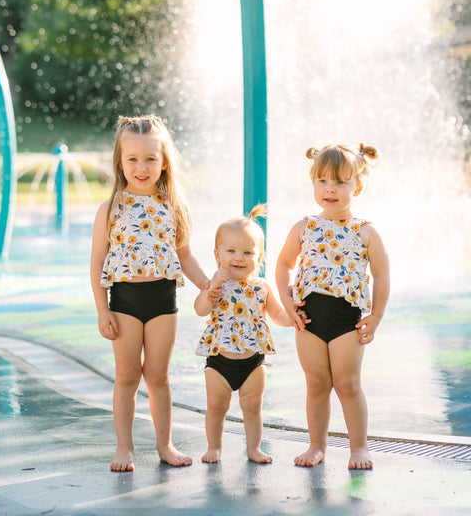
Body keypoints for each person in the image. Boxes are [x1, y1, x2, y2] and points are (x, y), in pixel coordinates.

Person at [90, 114, 210, 472]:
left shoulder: (174, 207)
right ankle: (124, 448)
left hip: (163, 302)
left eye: (150, 159)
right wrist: (102, 310)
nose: (141, 168)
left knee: (158, 376)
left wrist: (207, 285)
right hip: (124, 303)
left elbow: (184, 256)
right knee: (127, 376)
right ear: (120, 162)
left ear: (164, 162)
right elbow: (97, 263)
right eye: (133, 159)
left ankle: (165, 445)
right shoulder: (111, 209)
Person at [275, 143, 390, 470]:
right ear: (313, 183)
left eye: (340, 182)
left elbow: (381, 275)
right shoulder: (304, 227)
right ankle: (316, 445)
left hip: (346, 324)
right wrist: (287, 303)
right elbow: (283, 264)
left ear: (358, 186)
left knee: (348, 385)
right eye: (322, 181)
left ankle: (359, 447)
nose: (330, 189)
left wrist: (376, 316)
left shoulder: (365, 232)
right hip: (308, 322)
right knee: (316, 385)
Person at [194, 205, 293, 464]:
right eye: (231, 251)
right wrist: (209, 292)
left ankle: (254, 448)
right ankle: (214, 446)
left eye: (248, 252)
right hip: (219, 362)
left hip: (253, 362)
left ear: (259, 258)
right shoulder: (216, 285)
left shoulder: (262, 287)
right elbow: (200, 309)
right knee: (216, 407)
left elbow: (278, 315)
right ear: (217, 255)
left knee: (253, 407)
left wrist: (294, 318)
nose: (239, 258)